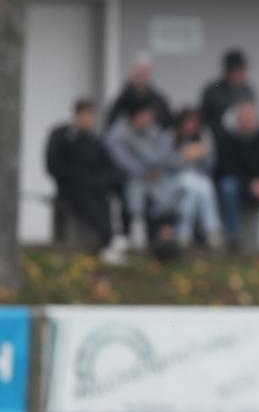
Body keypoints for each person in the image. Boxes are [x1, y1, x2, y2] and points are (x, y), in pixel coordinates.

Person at [46, 99, 126, 264]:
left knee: (108, 197)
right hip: (70, 188)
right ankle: (109, 238)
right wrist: (79, 177)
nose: (88, 120)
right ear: (76, 115)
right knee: (86, 199)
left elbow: (111, 167)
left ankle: (113, 239)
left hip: (95, 188)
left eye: (91, 116)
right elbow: (53, 165)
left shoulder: (95, 141)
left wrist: (101, 180)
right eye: (85, 115)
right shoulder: (61, 136)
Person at [106, 98, 178, 249]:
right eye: (147, 115)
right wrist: (145, 171)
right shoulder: (117, 134)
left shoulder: (153, 130)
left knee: (169, 191)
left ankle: (164, 236)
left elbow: (163, 155)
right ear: (136, 116)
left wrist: (154, 168)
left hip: (154, 176)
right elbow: (123, 161)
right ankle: (136, 226)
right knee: (135, 188)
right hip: (125, 178)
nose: (150, 119)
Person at [217, 100, 259, 247]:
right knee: (228, 187)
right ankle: (234, 237)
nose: (249, 121)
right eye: (245, 118)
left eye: (252, 118)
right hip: (241, 184)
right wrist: (250, 184)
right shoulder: (228, 139)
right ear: (238, 120)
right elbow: (227, 167)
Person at [161, 108, 223, 248]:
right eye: (188, 123)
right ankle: (212, 228)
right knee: (195, 183)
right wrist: (183, 156)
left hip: (199, 181)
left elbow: (211, 165)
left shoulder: (203, 136)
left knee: (197, 190)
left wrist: (203, 154)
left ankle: (184, 234)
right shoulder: (169, 136)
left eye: (194, 123)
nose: (191, 127)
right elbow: (164, 165)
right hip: (174, 180)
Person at [200, 49, 256, 156]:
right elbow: (204, 120)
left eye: (242, 70)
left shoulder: (248, 91)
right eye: (237, 70)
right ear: (228, 71)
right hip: (218, 145)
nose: (241, 74)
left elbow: (254, 119)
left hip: (243, 145)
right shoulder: (214, 90)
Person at [106, 53, 173, 130]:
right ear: (133, 72)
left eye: (145, 72)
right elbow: (110, 125)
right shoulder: (122, 99)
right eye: (139, 71)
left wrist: (152, 120)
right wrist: (132, 123)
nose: (141, 75)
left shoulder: (159, 100)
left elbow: (168, 125)